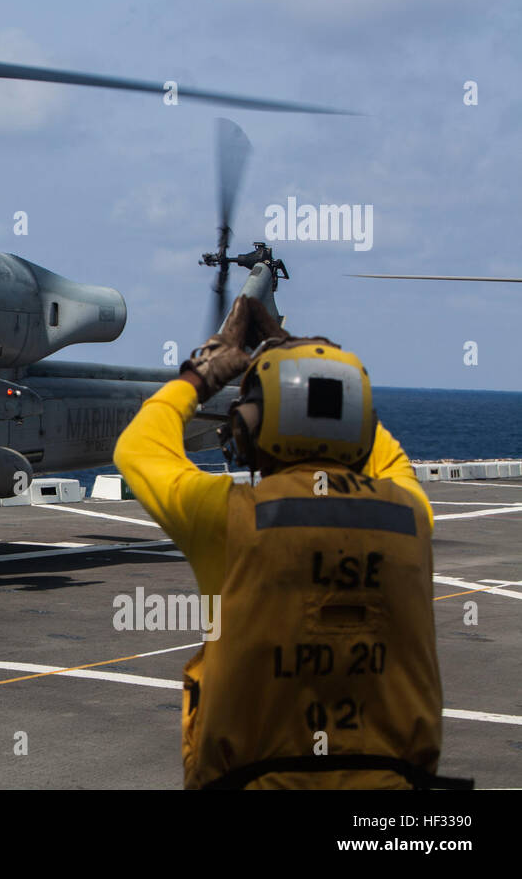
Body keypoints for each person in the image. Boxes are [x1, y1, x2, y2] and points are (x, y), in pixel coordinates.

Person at [113, 295, 467, 789]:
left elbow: (138, 448)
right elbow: (380, 453)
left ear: (249, 426)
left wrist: (200, 374)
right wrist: (313, 366)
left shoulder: (230, 517)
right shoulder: (410, 515)